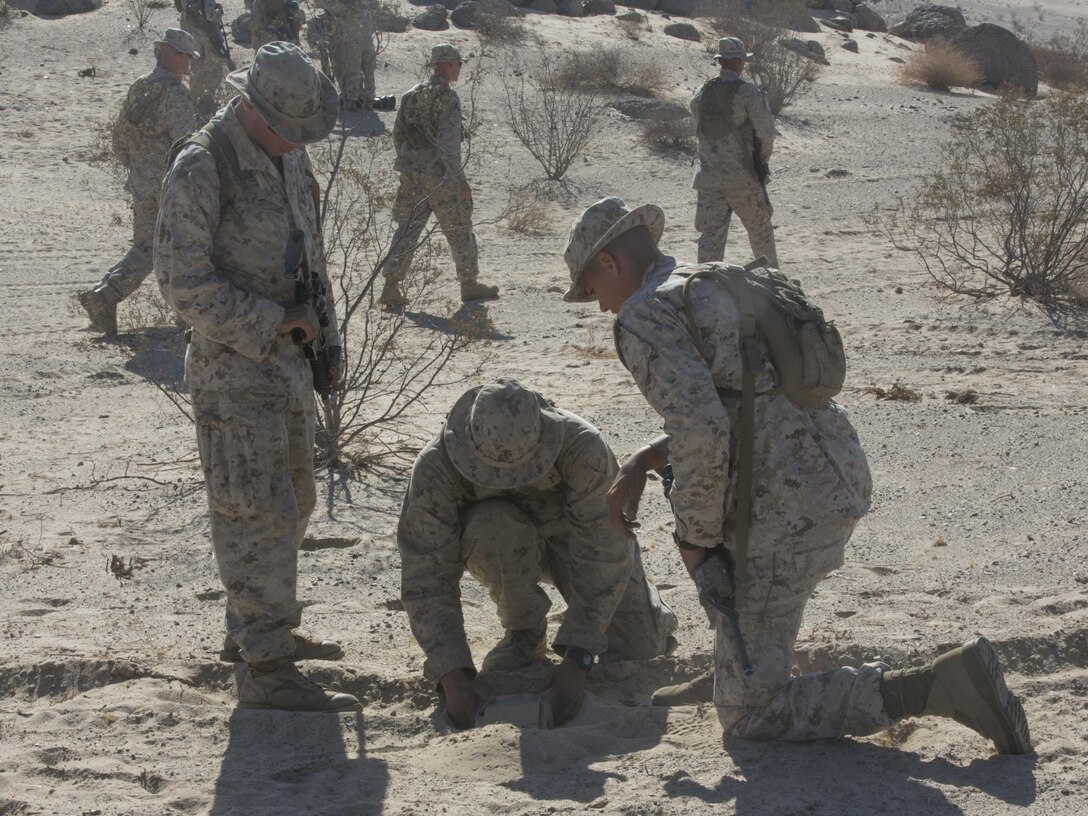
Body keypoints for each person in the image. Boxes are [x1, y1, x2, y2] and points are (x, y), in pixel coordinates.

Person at [558, 196, 1031, 754]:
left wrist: (695, 541)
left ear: (609, 264)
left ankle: (941, 686)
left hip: (779, 513)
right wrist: (646, 459)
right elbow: (745, 404)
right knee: (738, 597)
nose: (600, 308)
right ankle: (737, 665)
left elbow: (704, 432)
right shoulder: (705, 281)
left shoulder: (643, 314)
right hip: (833, 479)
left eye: (592, 291)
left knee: (749, 716)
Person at [155, 43, 360, 712]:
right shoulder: (202, 167)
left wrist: (324, 338)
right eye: (284, 127)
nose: (296, 142)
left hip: (290, 369)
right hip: (233, 374)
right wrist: (274, 321)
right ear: (249, 105)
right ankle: (264, 668)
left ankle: (252, 629)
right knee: (253, 512)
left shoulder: (288, 154)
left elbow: (312, 254)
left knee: (294, 502)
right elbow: (182, 287)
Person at [397, 378, 678, 728]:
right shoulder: (436, 466)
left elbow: (604, 552)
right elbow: (426, 576)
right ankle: (524, 633)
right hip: (503, 544)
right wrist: (450, 675)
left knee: (637, 647)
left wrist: (578, 658)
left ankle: (654, 612)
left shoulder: (582, 446)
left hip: (573, 544)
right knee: (492, 523)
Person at [79, 29, 198, 336]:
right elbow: (188, 146)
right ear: (172, 55)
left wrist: (135, 167)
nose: (188, 64)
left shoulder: (139, 87)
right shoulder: (176, 94)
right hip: (169, 187)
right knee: (182, 248)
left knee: (146, 247)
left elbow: (119, 137)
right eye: (185, 57)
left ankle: (104, 293)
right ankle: (188, 316)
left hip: (141, 183)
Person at [378, 44, 498, 308]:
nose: (458, 69)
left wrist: (409, 163)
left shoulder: (411, 94)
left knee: (408, 228)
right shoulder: (447, 98)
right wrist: (460, 181)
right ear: (448, 65)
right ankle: (469, 284)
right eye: (457, 63)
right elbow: (448, 147)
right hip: (440, 175)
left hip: (413, 173)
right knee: (459, 226)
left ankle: (391, 286)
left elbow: (397, 134)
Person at [691, 37, 778, 267]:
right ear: (740, 62)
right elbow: (767, 133)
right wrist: (762, 161)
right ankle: (774, 287)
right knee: (761, 235)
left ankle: (704, 288)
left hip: (709, 179)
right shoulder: (748, 92)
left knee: (710, 241)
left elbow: (696, 119)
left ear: (720, 61)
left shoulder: (701, 92)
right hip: (742, 180)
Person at [314, 0, 376, 111]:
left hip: (352, 26)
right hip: (355, 24)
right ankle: (361, 98)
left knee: (360, 64)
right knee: (359, 64)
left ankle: (356, 99)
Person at [177, 0, 233, 120]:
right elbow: (210, 15)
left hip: (191, 35)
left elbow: (181, 9)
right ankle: (208, 99)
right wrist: (219, 11)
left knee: (196, 67)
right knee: (215, 68)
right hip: (208, 36)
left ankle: (195, 97)